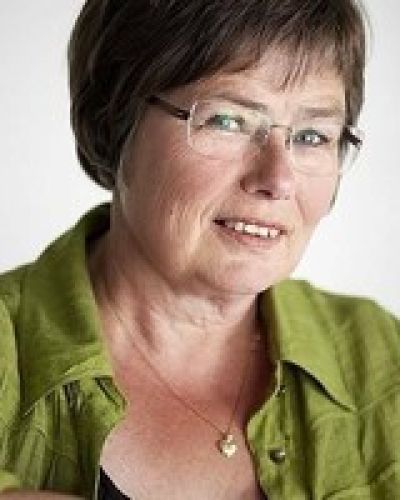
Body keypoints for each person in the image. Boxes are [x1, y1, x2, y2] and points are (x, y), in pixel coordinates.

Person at [0, 0, 399, 498]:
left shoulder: (382, 353)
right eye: (228, 120)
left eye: (312, 136)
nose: (278, 179)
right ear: (114, 121)